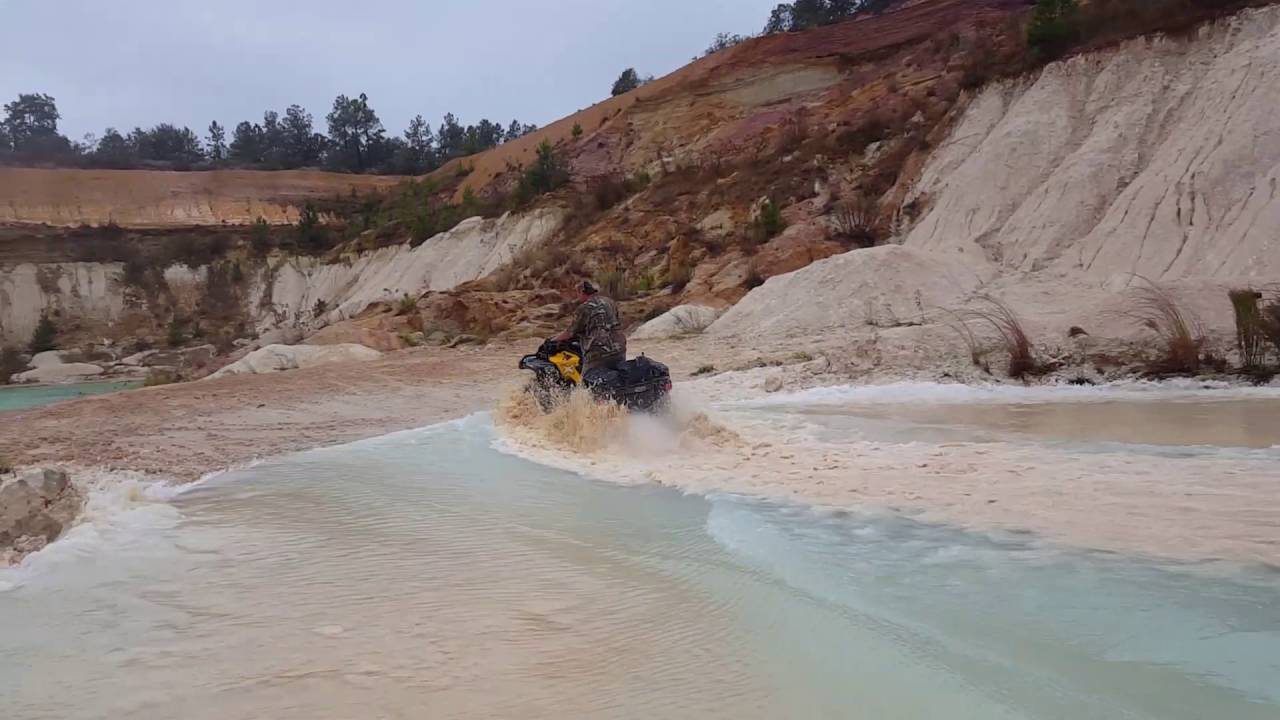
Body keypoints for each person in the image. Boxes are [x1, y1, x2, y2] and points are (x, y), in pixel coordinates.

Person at [553, 280, 626, 375]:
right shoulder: (610, 302)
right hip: (619, 348)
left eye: (577, 293)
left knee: (587, 383)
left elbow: (570, 332)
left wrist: (554, 340)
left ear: (582, 292)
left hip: (598, 353)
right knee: (618, 376)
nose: (577, 296)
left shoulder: (584, 308)